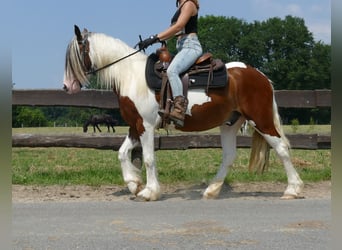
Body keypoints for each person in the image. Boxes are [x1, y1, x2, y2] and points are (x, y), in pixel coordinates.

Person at [138, 0, 203, 127]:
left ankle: (179, 110)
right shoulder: (181, 6)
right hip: (182, 47)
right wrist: (152, 41)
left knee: (172, 71)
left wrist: (154, 37)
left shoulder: (189, 3)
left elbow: (179, 26)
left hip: (191, 46)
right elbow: (172, 31)